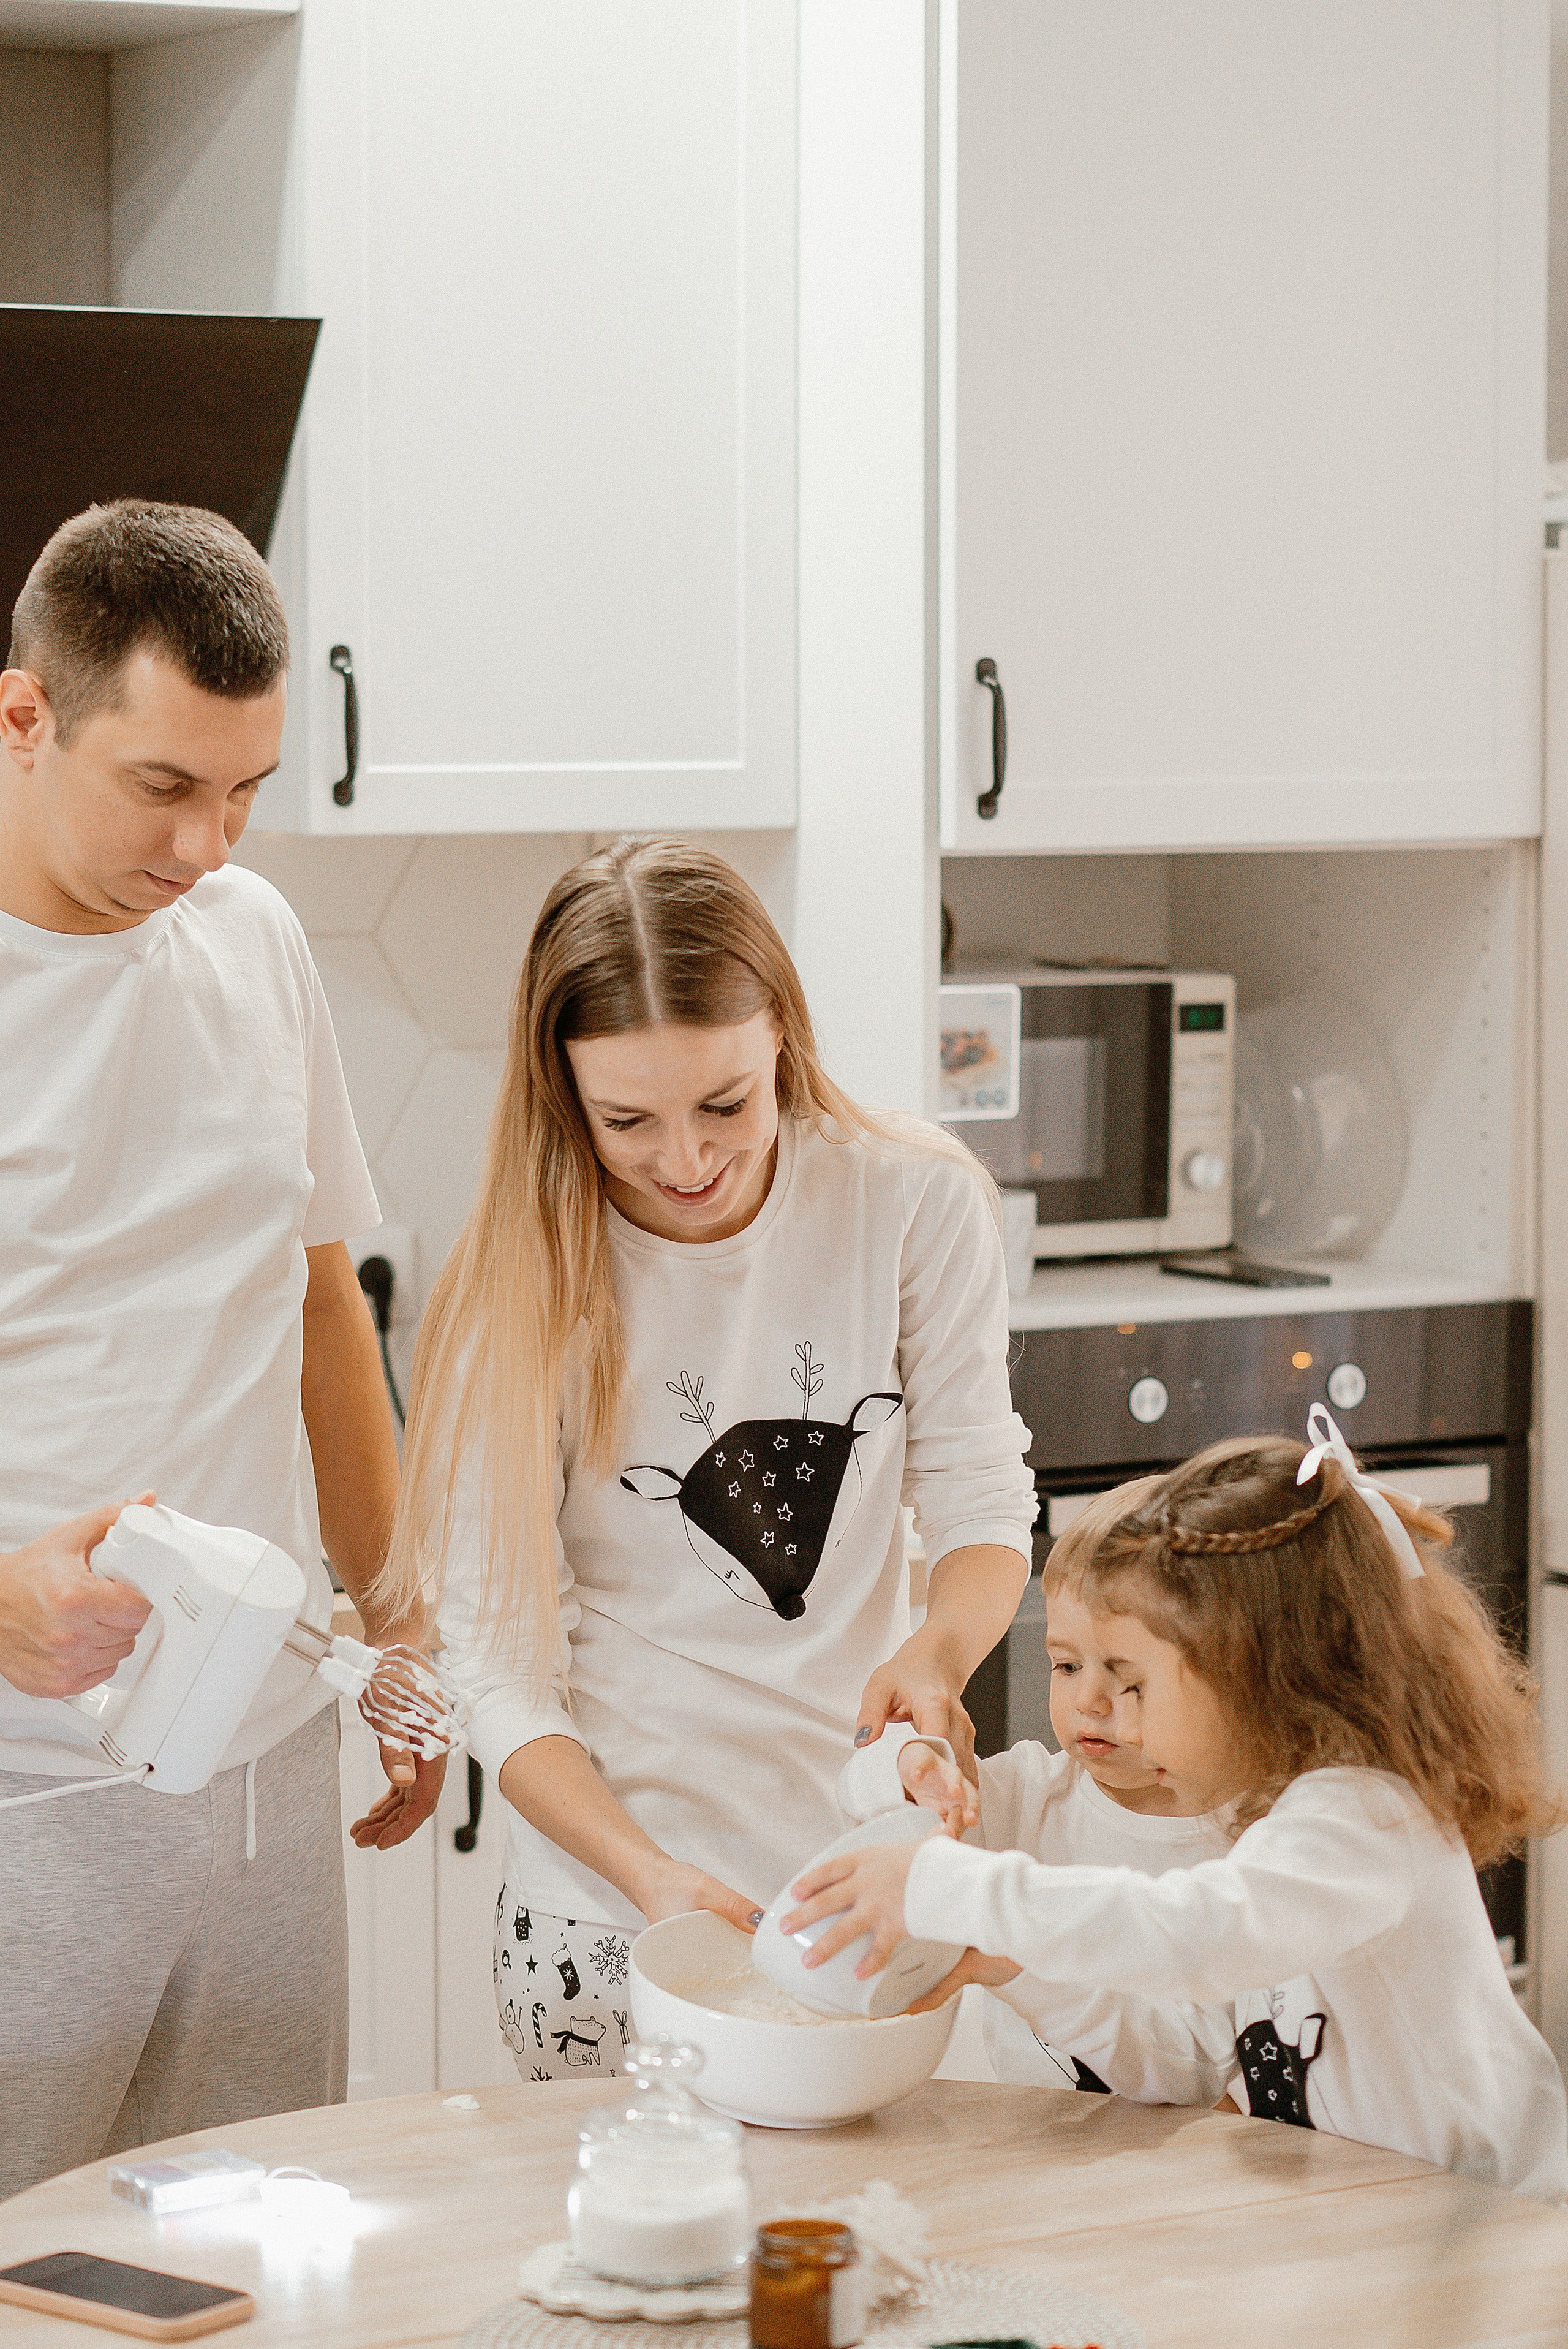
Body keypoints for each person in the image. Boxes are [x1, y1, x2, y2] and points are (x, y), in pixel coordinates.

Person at [363, 835, 1036, 2078]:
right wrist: (649, 1880)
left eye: (724, 1103)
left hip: (871, 1890)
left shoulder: (912, 1202)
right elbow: (502, 1676)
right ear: (561, 1093)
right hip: (610, 1923)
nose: (686, 1163)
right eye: (627, 1119)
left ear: (780, 1030)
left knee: (880, 2259)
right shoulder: (517, 1290)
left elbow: (982, 1493)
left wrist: (937, 1653)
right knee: (632, 2271)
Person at [0, 502, 437, 2201]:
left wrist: (398, 1629)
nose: (207, 843)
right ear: (24, 717)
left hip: (261, 1766)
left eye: (246, 792)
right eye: (166, 786)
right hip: (28, 1779)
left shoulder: (254, 939)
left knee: (249, 2256)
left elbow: (321, 1298)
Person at [784, 1417, 1568, 2203]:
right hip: (1386, 2211)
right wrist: (1020, 1969)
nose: (1121, 1717)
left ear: (1258, 1677)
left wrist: (945, 1884)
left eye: (1142, 1686)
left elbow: (1204, 1933)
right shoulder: (1277, 1812)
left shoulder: (1363, 1817)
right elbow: (1189, 2049)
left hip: (1496, 2223)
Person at [837, 1478, 1235, 2101]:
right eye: (1067, 1665)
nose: (1088, 1701)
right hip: (1028, 2146)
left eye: (1127, 1677)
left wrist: (1031, 1970)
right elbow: (866, 1795)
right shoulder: (1028, 1794)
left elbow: (1192, 2071)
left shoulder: (1254, 1846)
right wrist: (913, 1760)